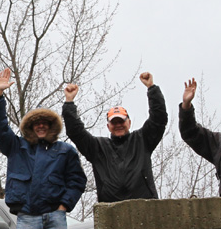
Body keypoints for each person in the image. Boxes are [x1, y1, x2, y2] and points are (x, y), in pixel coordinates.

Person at [0, 67, 87, 229]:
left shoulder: (65, 151)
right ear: (30, 127)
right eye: (37, 123)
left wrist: (63, 206)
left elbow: (77, 181)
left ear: (52, 126)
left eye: (45, 122)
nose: (41, 125)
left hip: (55, 216)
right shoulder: (16, 147)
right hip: (27, 218)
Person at [61, 71, 168, 202]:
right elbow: (76, 132)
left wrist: (152, 89)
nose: (118, 125)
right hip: (110, 209)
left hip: (145, 206)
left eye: (121, 121)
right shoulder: (98, 147)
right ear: (108, 126)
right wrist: (69, 102)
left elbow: (159, 119)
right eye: (114, 122)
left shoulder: (142, 140)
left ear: (129, 123)